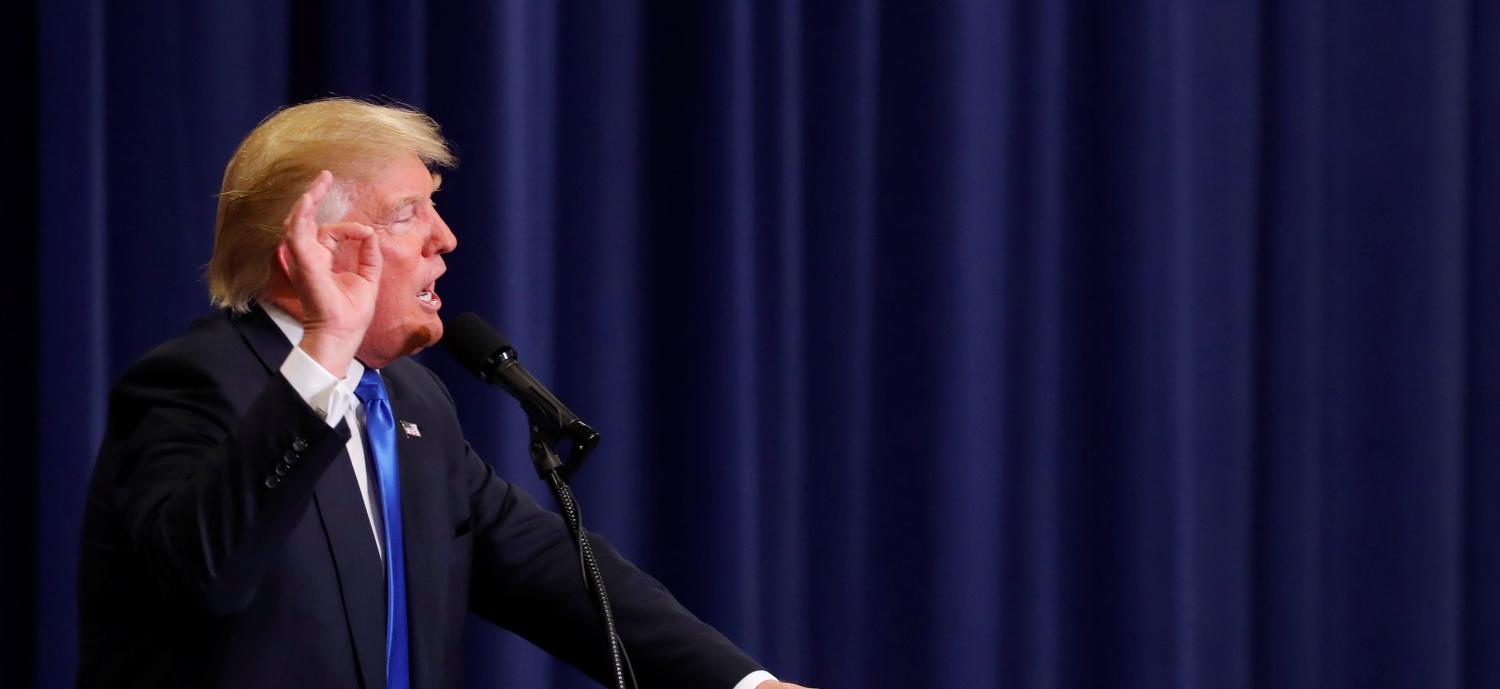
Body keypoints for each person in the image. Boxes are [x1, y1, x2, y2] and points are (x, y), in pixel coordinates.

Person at [78, 98, 810, 689]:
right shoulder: (193, 383)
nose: (447, 237)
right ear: (322, 249)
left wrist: (747, 684)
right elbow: (205, 575)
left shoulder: (411, 402)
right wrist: (325, 346)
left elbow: (556, 575)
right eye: (409, 213)